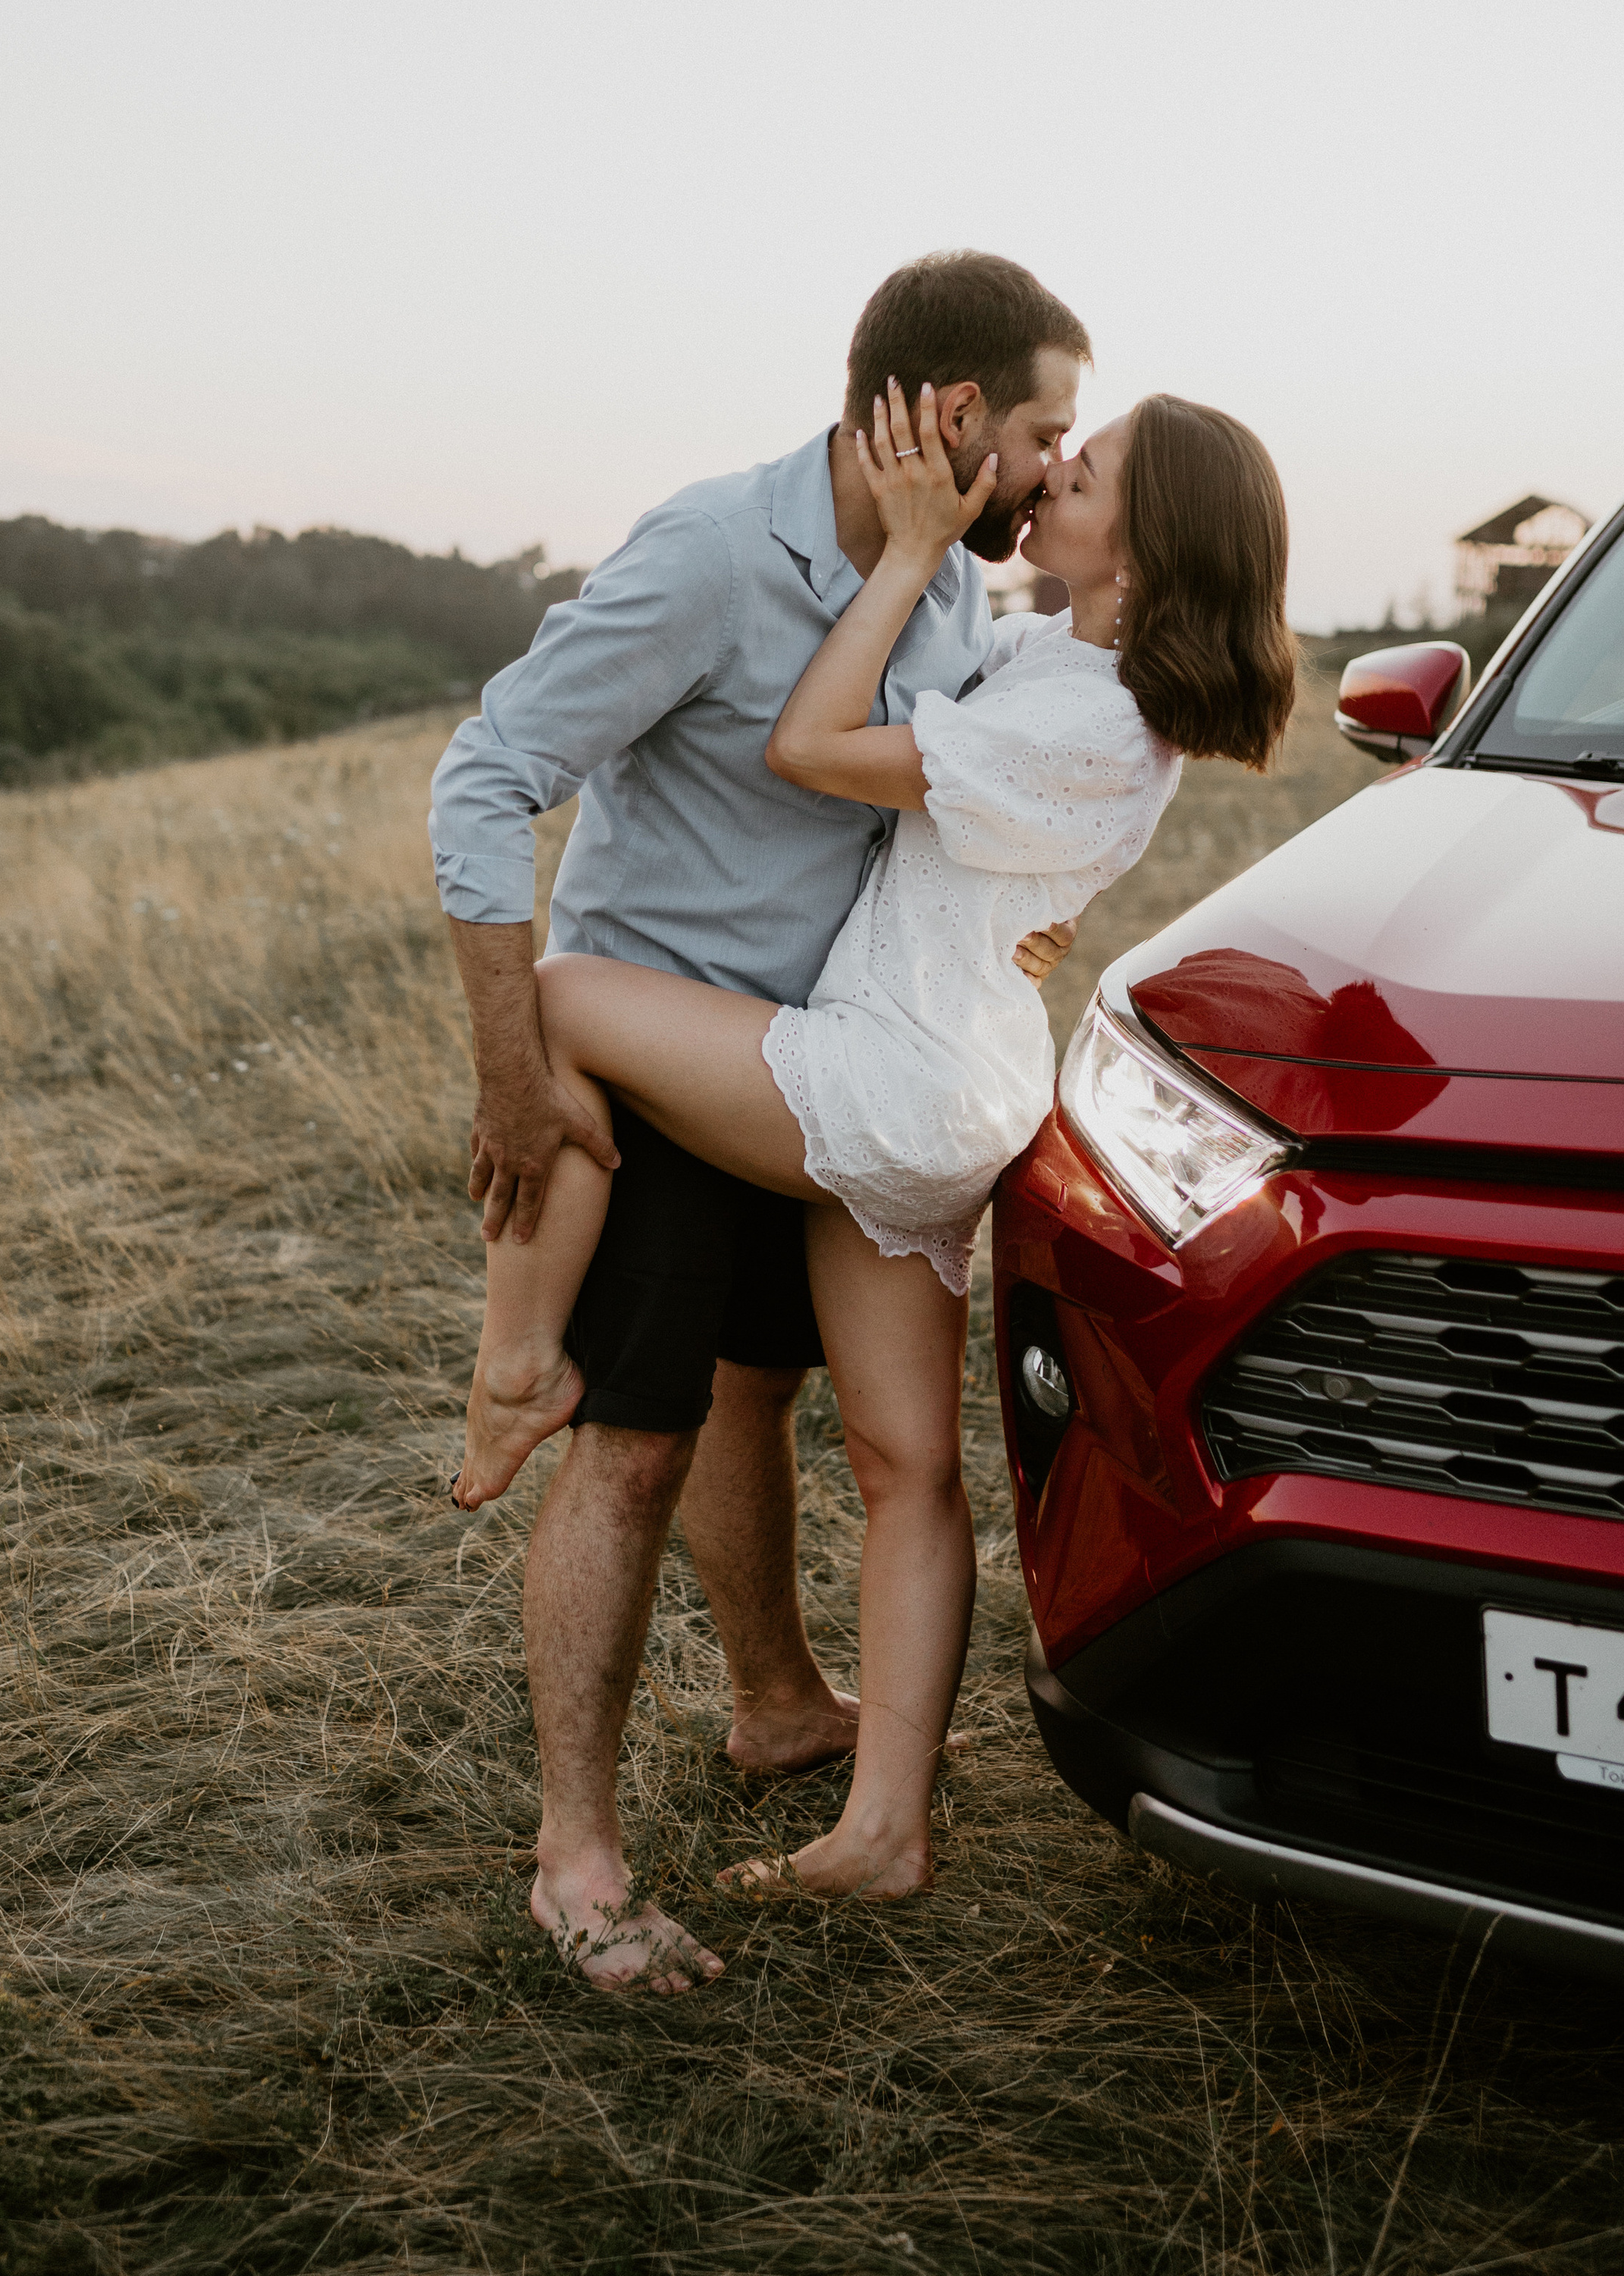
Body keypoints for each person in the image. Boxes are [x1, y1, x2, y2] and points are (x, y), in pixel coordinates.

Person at [453, 381, 1296, 1943]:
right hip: (937, 1074)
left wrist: (909, 549)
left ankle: (513, 1358)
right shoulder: (1070, 666)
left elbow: (807, 744)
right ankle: (882, 1825)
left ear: (1149, 543)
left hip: (890, 1076)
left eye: (1083, 469)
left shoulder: (1083, 710)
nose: (1044, 479)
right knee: (907, 1468)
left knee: (558, 996)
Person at [429, 251, 1091, 1990]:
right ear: (951, 417)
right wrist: (517, 1067)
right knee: (631, 1444)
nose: (1048, 469)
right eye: (1043, 434)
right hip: (661, 1069)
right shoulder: (714, 554)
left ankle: (777, 1704)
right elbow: (484, 772)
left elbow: (919, 811)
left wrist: (1007, 906)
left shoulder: (948, 592)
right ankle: (573, 1859)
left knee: (754, 1387)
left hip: (816, 1078)